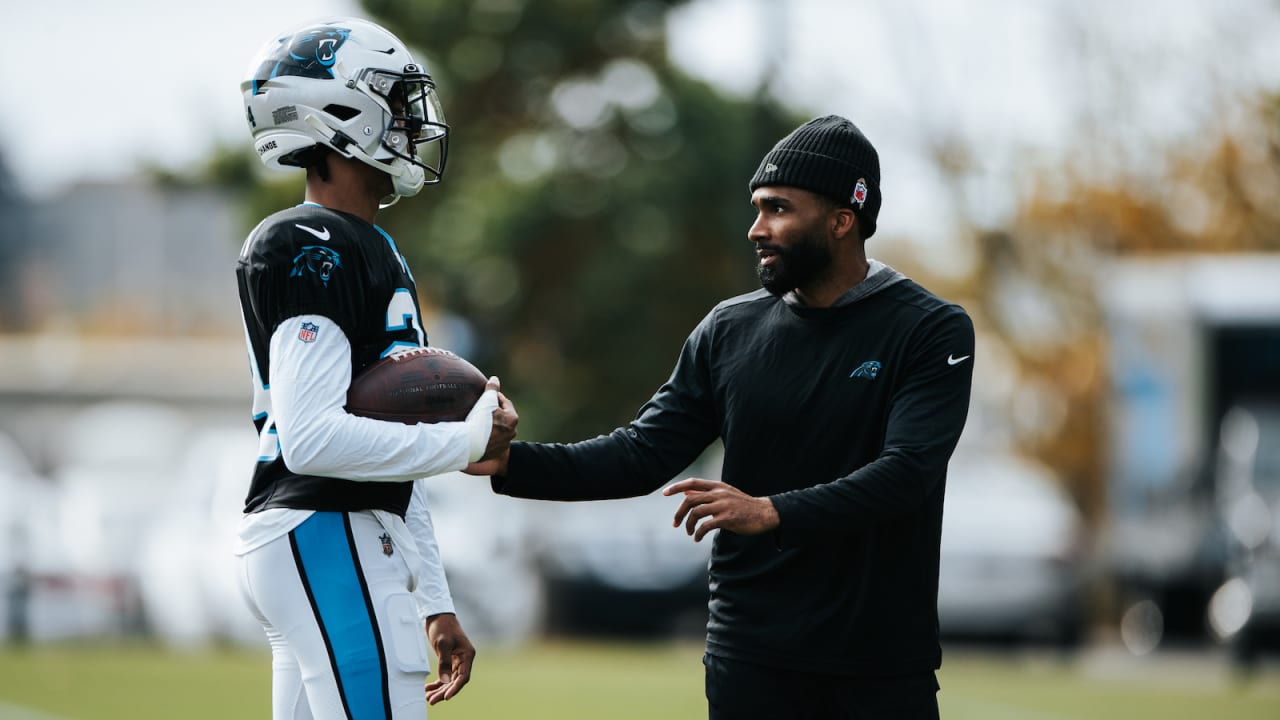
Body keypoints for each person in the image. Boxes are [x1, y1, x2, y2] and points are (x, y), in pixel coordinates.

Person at [468, 115, 974, 719]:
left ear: (843, 220)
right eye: (757, 208)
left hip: (880, 663)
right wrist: (514, 463)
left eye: (779, 209)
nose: (757, 228)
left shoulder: (929, 329)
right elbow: (641, 452)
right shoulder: (729, 328)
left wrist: (769, 511)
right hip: (750, 656)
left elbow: (906, 474)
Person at [234, 18, 517, 720]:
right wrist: (467, 440)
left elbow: (381, 445)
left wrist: (435, 598)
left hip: (339, 529)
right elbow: (313, 441)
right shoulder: (310, 238)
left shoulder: (368, 243)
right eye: (393, 99)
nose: (409, 119)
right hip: (324, 526)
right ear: (337, 111)